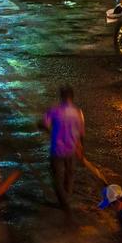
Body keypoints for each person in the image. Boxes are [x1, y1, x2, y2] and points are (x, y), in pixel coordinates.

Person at [39, 84, 85, 214]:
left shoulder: (54, 110)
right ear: (72, 97)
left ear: (61, 96)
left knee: (57, 178)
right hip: (72, 149)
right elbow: (82, 134)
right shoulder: (78, 112)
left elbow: (45, 125)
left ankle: (64, 203)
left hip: (57, 150)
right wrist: (81, 149)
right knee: (69, 174)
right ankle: (68, 196)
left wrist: (42, 125)